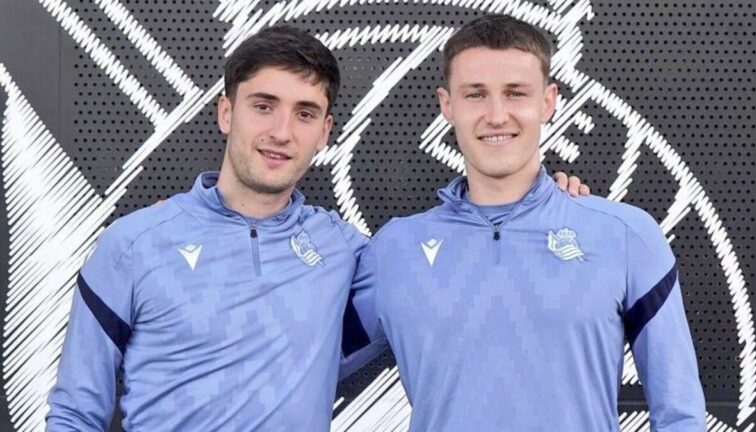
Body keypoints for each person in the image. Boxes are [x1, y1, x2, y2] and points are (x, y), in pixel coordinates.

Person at [46, 25, 588, 431]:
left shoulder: (351, 252)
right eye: (264, 106)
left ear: (326, 131)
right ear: (225, 113)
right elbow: (74, 412)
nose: (282, 132)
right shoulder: (134, 244)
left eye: (305, 113)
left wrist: (548, 206)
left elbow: (475, 252)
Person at [348, 14, 706, 431]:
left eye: (516, 93)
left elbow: (679, 413)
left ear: (548, 101)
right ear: (448, 105)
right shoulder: (395, 250)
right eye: (475, 95)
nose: (496, 115)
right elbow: (300, 370)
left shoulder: (626, 236)